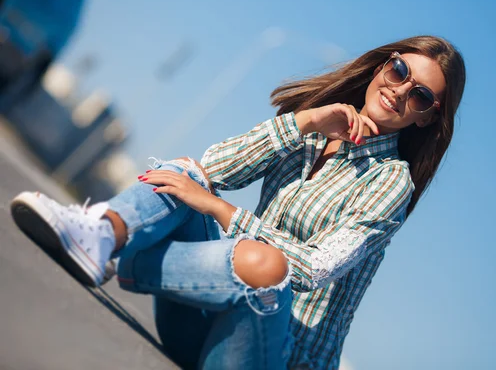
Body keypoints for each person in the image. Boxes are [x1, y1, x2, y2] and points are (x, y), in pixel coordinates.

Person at [10, 35, 466, 369]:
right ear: (382, 66)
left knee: (264, 266)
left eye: (421, 96)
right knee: (187, 173)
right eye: (400, 70)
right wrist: (304, 121)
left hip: (270, 354)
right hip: (200, 326)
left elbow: (309, 270)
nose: (401, 89)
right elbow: (213, 168)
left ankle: (125, 255)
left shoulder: (391, 184)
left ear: (428, 119)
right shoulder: (315, 129)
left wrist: (218, 209)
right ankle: (102, 234)